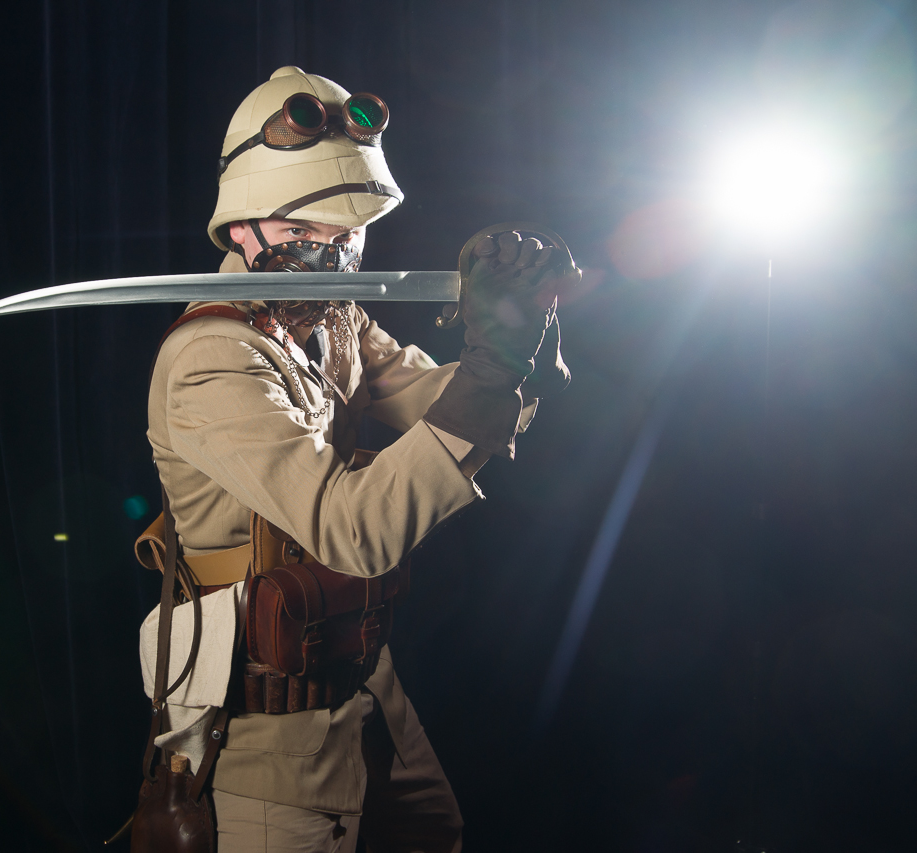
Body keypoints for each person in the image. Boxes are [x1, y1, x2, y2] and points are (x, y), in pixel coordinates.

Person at [137, 66, 572, 852]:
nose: (333, 256)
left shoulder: (336, 319)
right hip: (268, 729)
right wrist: (490, 370)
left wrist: (518, 341)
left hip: (364, 680)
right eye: (305, 232)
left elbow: (436, 401)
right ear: (243, 229)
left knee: (436, 831)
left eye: (346, 233)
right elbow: (353, 530)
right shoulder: (212, 357)